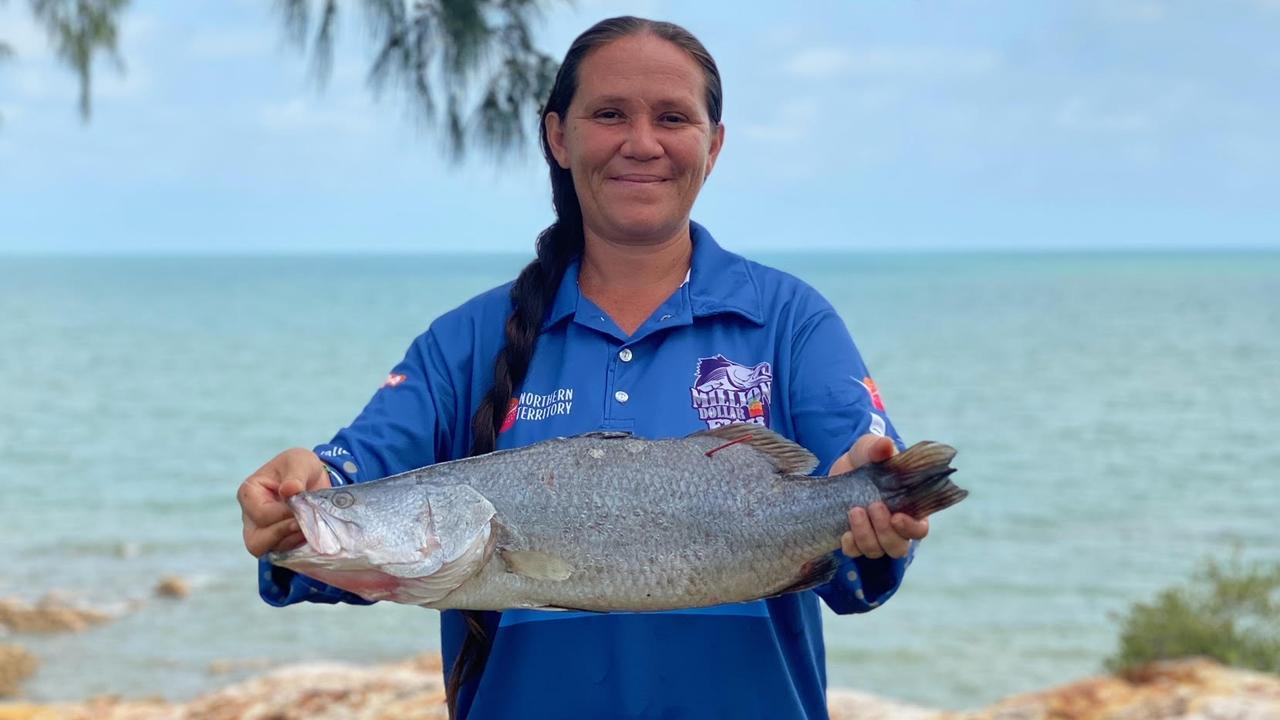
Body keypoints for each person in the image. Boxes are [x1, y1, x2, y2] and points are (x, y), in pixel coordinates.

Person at [237, 16, 929, 720]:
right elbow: (354, 484)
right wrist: (301, 504)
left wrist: (876, 506)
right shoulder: (469, 339)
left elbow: (863, 556)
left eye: (672, 118)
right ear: (558, 136)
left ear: (713, 146)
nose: (641, 143)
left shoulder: (789, 320)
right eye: (608, 114)